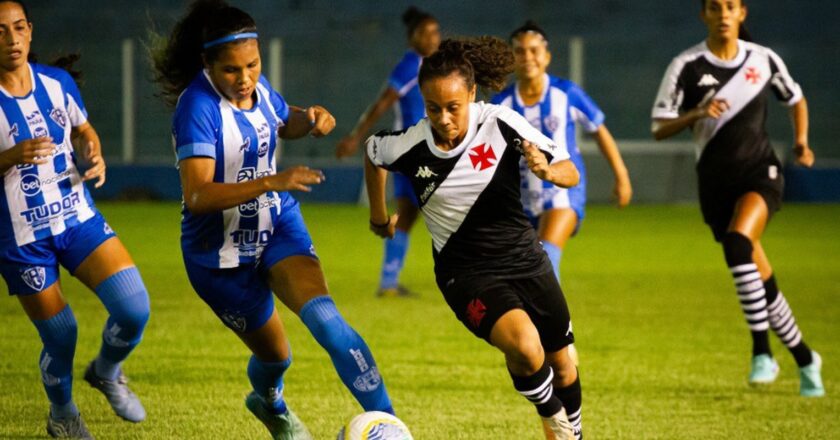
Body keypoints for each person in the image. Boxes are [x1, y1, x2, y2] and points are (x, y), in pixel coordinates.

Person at [150, 1, 395, 438]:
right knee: (276, 358)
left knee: (329, 324)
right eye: (231, 70)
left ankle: (394, 426)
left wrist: (311, 118)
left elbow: (283, 120)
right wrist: (270, 181)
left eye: (253, 65)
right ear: (207, 64)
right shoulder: (197, 110)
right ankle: (272, 403)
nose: (245, 79)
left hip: (276, 227)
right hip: (219, 257)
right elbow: (199, 194)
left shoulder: (257, 88)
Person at [366, 36, 583, 440]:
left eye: (453, 107)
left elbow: (570, 169)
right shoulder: (411, 144)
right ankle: (558, 425)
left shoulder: (500, 122)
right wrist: (379, 216)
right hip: (465, 273)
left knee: (563, 362)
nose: (444, 118)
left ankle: (573, 433)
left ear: (471, 93)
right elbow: (373, 152)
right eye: (433, 108)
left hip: (525, 260)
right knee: (524, 346)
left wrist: (549, 171)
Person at [651, 0, 824, 397]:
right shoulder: (686, 66)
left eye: (731, 6)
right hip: (714, 185)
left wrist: (800, 142)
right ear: (704, 15)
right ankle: (804, 358)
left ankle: (762, 352)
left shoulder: (762, 59)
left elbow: (794, 98)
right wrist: (696, 113)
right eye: (715, 7)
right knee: (759, 277)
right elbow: (659, 125)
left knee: (737, 243)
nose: (723, 13)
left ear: (742, 13)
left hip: (760, 173)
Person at [0, 0, 150, 438]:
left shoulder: (57, 83)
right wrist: (9, 157)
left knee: (134, 308)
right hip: (22, 238)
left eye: (18, 28)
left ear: (30, 30)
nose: (11, 40)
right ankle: (62, 414)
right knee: (62, 335)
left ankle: (106, 371)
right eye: (0, 31)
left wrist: (93, 153)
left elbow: (83, 129)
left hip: (77, 217)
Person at [492, 20, 631, 284]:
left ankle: (552, 322)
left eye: (534, 50)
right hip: (521, 196)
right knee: (520, 268)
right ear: (511, 59)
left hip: (564, 191)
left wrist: (621, 176)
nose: (527, 57)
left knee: (546, 255)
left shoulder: (567, 93)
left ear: (547, 56)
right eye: (520, 51)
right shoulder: (501, 103)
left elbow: (599, 131)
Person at [336, 6, 440, 297]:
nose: (433, 38)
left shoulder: (428, 66)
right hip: (414, 151)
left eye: (435, 32)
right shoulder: (412, 66)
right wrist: (356, 136)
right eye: (425, 33)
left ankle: (389, 282)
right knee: (441, 206)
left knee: (408, 213)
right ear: (412, 37)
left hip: (422, 150)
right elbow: (383, 103)